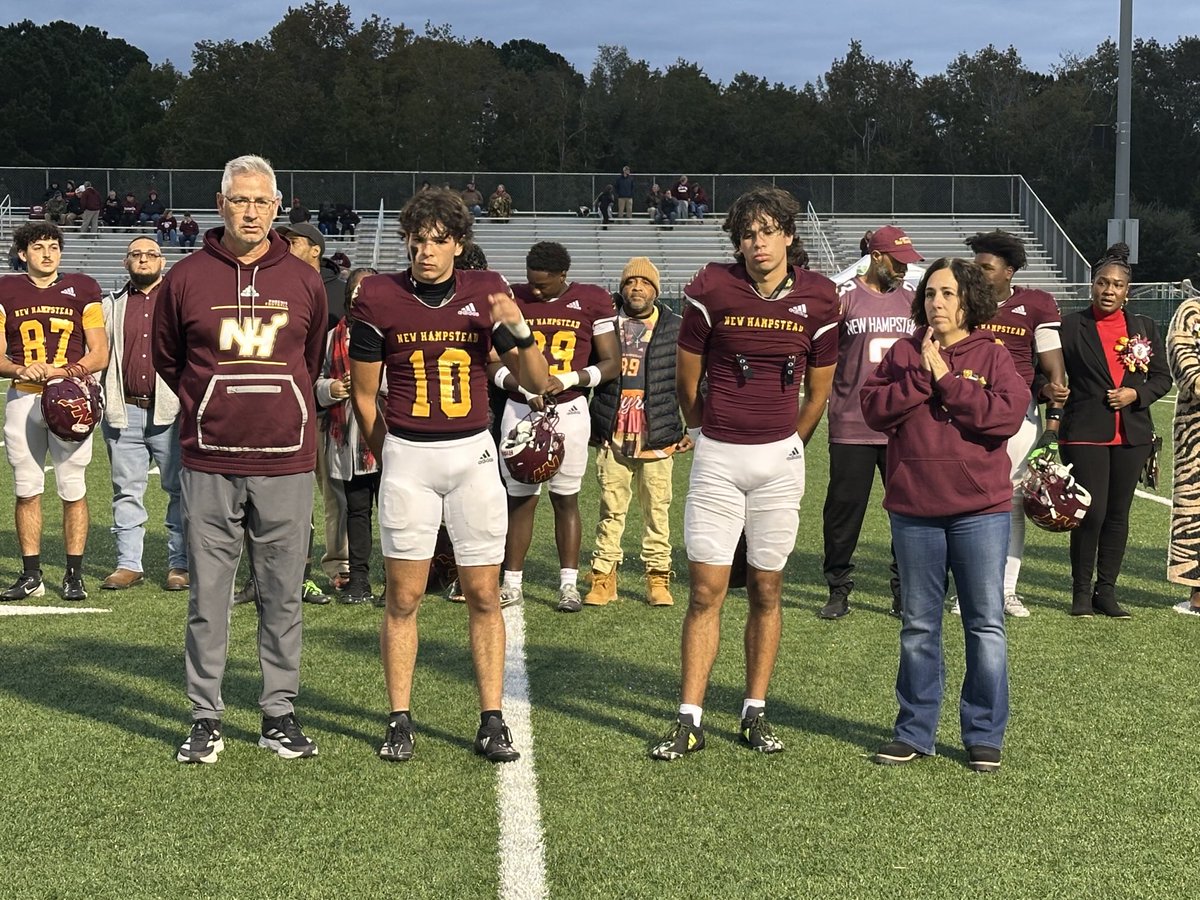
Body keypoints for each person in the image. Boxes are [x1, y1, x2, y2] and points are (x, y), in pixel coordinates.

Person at [347, 187, 548, 763]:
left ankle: (492, 717)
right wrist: (393, 456)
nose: (426, 251)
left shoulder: (487, 293)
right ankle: (399, 717)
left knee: (484, 593)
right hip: (409, 453)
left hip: (471, 455)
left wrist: (520, 330)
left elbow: (537, 382)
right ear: (407, 241)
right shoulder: (378, 296)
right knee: (404, 595)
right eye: (418, 240)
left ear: (458, 244)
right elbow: (364, 397)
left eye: (439, 240)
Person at [649, 187, 838, 760]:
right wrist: (709, 431)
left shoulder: (821, 297)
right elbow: (687, 384)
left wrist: (789, 445)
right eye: (746, 234)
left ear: (787, 234)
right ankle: (689, 716)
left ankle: (755, 709)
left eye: (766, 231)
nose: (756, 243)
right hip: (719, 456)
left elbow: (818, 392)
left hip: (779, 459)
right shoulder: (712, 288)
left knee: (767, 586)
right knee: (705, 590)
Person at [154, 154, 327, 764]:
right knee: (209, 596)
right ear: (220, 203)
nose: (250, 212)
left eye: (261, 202)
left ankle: (278, 711)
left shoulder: (304, 278)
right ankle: (205, 715)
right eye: (239, 200)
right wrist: (211, 408)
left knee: (282, 595)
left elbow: (309, 360)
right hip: (209, 460)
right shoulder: (186, 276)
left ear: (277, 207)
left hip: (286, 458)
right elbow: (170, 359)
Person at [862, 257, 1027, 773]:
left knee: (985, 625)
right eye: (931, 293)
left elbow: (1005, 417)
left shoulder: (994, 355)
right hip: (914, 510)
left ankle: (983, 733)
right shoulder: (903, 352)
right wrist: (918, 380)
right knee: (918, 626)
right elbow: (872, 408)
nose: (937, 302)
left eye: (949, 293)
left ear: (968, 300)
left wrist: (948, 380)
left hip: (981, 511)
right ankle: (914, 730)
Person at [495, 241, 620, 612]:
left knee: (566, 499)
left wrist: (566, 380)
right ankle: (511, 581)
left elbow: (612, 362)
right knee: (519, 500)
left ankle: (568, 584)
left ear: (563, 276)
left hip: (568, 410)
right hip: (520, 409)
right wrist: (522, 386)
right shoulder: (511, 297)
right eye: (531, 283)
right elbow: (490, 362)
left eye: (543, 285)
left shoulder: (591, 299)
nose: (534, 291)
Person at [1057, 243, 1171, 618]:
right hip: (1085, 432)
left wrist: (1135, 393)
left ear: (1127, 291)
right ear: (1092, 285)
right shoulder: (1071, 326)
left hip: (1132, 435)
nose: (1109, 290)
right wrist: (1047, 387)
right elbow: (1049, 373)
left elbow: (1161, 379)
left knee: (1118, 515)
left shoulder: (1145, 327)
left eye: (1117, 285)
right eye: (1103, 283)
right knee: (1092, 512)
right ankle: (1080, 594)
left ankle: (1106, 593)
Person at [959, 230, 1068, 618]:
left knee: (1013, 503)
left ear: (1009, 271)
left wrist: (1052, 427)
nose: (978, 274)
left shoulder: (1034, 304)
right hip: (968, 412)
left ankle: (1006, 590)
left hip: (1018, 417)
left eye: (986, 268)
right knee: (970, 502)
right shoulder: (963, 302)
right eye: (976, 267)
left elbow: (1055, 372)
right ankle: (970, 591)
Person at [0, 222, 109, 601]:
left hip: (72, 396)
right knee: (27, 488)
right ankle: (32, 575)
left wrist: (62, 373)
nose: (47, 253)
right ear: (22, 253)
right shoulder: (6, 288)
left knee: (72, 487)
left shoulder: (83, 288)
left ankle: (73, 574)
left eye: (53, 246)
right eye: (38, 247)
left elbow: (99, 353)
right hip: (24, 397)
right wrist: (19, 369)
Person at [820, 226, 924, 620]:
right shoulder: (843, 300)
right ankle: (838, 586)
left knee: (907, 510)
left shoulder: (913, 303)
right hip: (852, 424)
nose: (903, 269)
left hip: (902, 427)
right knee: (844, 509)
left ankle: (903, 589)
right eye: (897, 261)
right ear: (876, 257)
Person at [585, 257, 691, 607]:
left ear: (655, 290)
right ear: (622, 287)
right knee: (610, 510)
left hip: (658, 434)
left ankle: (658, 578)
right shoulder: (604, 324)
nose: (637, 289)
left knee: (657, 513)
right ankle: (603, 578)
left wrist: (691, 426)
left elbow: (693, 380)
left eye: (644, 283)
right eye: (631, 283)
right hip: (613, 432)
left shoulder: (676, 326)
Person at [100, 236, 187, 592]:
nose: (143, 259)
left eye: (150, 254)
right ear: (126, 263)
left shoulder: (181, 303)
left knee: (180, 491)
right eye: (136, 254)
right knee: (126, 491)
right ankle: (128, 564)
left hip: (171, 413)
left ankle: (180, 565)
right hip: (126, 410)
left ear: (162, 261)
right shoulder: (111, 305)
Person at [276, 220, 349, 600]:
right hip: (285, 408)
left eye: (293, 241)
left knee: (335, 495)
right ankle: (288, 570)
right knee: (289, 499)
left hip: (332, 411)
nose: (284, 245)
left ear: (316, 250)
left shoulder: (338, 294)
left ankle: (340, 566)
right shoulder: (275, 283)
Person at [316, 266, 380, 604]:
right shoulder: (332, 337)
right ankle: (359, 579)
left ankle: (401, 579)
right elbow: (316, 380)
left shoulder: (394, 331)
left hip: (386, 436)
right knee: (356, 511)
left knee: (396, 512)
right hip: (346, 438)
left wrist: (372, 385)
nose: (361, 296)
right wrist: (332, 388)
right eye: (356, 290)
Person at [1167, 295, 1200, 614]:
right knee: (1196, 512)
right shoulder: (1192, 311)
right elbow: (1184, 359)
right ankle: (1198, 595)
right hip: (1198, 432)